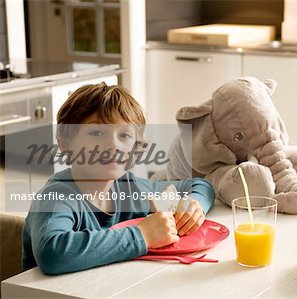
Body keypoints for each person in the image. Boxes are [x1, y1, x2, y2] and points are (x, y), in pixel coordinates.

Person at [22, 83, 215, 275]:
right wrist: (143, 235)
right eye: (96, 133)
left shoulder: (129, 187)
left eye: (124, 135)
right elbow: (52, 253)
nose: (112, 145)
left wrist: (192, 206)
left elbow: (200, 185)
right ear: (65, 142)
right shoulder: (56, 197)